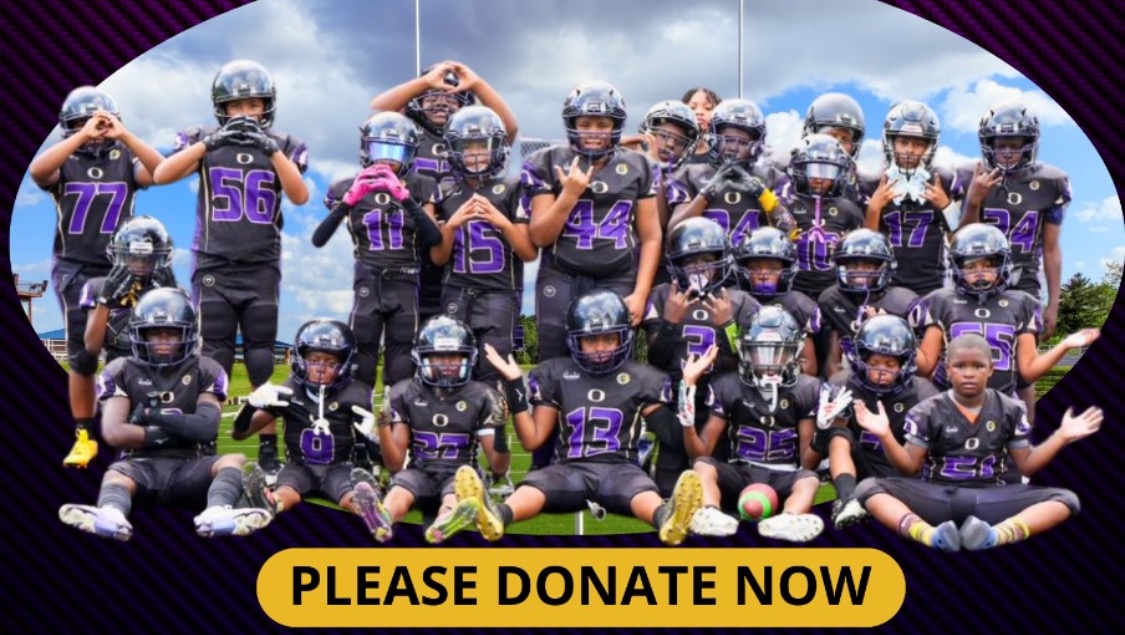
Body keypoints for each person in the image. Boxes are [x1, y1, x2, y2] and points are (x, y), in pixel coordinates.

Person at [446, 290, 705, 546]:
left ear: (622, 337)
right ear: (575, 340)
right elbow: (532, 440)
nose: (600, 348)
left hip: (621, 468)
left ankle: (667, 518)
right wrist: (515, 384)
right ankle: (497, 515)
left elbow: (672, 436)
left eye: (608, 338)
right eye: (591, 340)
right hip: (569, 468)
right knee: (535, 486)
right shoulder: (556, 373)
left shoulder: (642, 378)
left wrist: (688, 390)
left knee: (642, 490)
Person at [152, 59, 310, 474]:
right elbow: (162, 173)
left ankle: (268, 446)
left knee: (261, 360)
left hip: (261, 264)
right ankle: (203, 442)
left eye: (253, 105)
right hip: (214, 262)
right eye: (236, 106)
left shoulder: (285, 143)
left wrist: (271, 150)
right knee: (214, 359)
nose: (245, 113)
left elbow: (300, 195)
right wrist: (211, 143)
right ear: (221, 108)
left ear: (267, 106)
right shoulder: (203, 139)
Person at [854, 333, 1102, 551]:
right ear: (948, 369)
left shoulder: (1011, 408)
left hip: (991, 497)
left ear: (991, 369)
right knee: (868, 488)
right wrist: (885, 435)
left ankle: (993, 536)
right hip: (937, 495)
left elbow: (1027, 465)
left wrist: (1061, 436)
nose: (969, 373)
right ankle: (930, 535)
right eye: (960, 366)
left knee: (1065, 499)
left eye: (978, 366)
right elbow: (908, 468)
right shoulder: (927, 410)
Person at [58, 288, 271, 540]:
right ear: (139, 333)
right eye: (154, 333)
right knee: (116, 473)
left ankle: (217, 512)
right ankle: (111, 514)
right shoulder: (121, 369)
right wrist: (182, 430)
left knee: (232, 460)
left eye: (172, 333)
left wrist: (151, 414)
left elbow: (206, 427)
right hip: (140, 466)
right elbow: (115, 432)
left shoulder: (206, 369)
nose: (163, 340)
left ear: (187, 333)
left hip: (190, 467)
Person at [28, 86, 164, 468]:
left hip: (122, 267)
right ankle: (84, 436)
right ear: (68, 128)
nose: (94, 130)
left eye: (102, 123)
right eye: (82, 124)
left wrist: (124, 134)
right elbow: (38, 171)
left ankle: (129, 433)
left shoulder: (125, 157)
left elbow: (160, 170)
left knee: (128, 352)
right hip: (75, 267)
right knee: (83, 356)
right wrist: (83, 136)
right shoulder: (64, 160)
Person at [430, 105, 536, 491]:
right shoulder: (446, 193)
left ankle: (499, 470)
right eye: (468, 147)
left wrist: (501, 220)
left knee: (493, 380)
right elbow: (438, 258)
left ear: (496, 148)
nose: (475, 154)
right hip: (456, 291)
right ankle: (460, 459)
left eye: (481, 146)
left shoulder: (513, 189)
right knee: (452, 374)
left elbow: (528, 252)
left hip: (499, 293)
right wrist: (451, 225)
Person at [369, 61, 521, 331]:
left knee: (460, 329)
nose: (441, 102)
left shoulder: (472, 136)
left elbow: (508, 129)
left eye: (450, 97)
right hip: (412, 243)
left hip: (462, 245)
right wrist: (424, 82)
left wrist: (477, 84)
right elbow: (378, 116)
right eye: (432, 96)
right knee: (413, 328)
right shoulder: (408, 133)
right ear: (417, 100)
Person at [352, 316, 510, 544]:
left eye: (454, 356)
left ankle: (444, 522)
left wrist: (501, 431)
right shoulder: (405, 392)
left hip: (460, 472)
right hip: (420, 471)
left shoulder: (482, 395)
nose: (447, 363)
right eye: (439, 356)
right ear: (423, 358)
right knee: (400, 488)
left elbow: (499, 467)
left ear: (467, 358)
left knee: (457, 493)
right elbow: (395, 464)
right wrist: (384, 426)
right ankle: (383, 518)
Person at [312, 111, 441, 391]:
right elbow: (319, 239)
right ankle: (359, 417)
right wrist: (349, 201)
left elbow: (434, 237)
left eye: (395, 151)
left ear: (409, 154)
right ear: (366, 150)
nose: (386, 159)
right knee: (361, 357)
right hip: (367, 281)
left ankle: (397, 417)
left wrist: (404, 197)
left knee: (402, 364)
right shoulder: (346, 187)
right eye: (380, 149)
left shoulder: (421, 185)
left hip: (406, 280)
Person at [959, 100, 1071, 417]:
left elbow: (1051, 248)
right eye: (1000, 144)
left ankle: (1024, 440)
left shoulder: (1051, 182)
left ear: (1030, 143)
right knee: (971, 363)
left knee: (1024, 373)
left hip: (1024, 282)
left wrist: (1053, 303)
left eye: (1015, 144)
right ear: (988, 145)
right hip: (975, 281)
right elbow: (959, 241)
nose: (1007, 152)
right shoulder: (970, 176)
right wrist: (974, 201)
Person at [915, 224, 1098, 412]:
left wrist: (1065, 345)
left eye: (988, 265)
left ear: (1002, 264)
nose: (980, 272)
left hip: (1002, 408)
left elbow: (1029, 371)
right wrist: (902, 337)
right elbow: (925, 366)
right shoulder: (941, 301)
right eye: (970, 266)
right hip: (949, 407)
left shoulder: (1021, 303)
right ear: (957, 267)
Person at [680, 307, 824, 542]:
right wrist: (687, 423)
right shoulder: (728, 385)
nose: (768, 362)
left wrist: (822, 433)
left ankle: (789, 519)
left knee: (809, 479)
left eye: (777, 353)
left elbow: (808, 462)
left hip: (784, 474)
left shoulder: (807, 388)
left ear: (793, 352)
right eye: (760, 352)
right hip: (741, 471)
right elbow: (701, 453)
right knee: (702, 466)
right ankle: (710, 513)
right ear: (745, 351)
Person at [231, 319, 387, 539]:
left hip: (338, 466)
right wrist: (250, 406)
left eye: (330, 362)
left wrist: (373, 438)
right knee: (287, 490)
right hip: (299, 465)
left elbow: (378, 456)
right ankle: (268, 504)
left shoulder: (356, 394)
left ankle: (369, 512)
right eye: (314, 360)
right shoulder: (288, 391)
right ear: (301, 359)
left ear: (344, 364)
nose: (321, 368)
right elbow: (240, 434)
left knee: (348, 493)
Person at [642, 218, 759, 494]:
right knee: (668, 491)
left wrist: (728, 326)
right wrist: (669, 323)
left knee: (718, 484)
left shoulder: (741, 301)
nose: (699, 268)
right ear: (677, 265)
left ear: (720, 260)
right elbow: (656, 360)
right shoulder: (662, 295)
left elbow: (746, 363)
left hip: (720, 400)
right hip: (674, 396)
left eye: (706, 260)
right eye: (690, 261)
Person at [812, 315, 938, 529]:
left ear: (905, 364)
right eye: (874, 363)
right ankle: (848, 499)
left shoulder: (923, 394)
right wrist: (823, 428)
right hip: (860, 469)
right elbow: (820, 453)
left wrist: (885, 434)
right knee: (839, 435)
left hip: (901, 476)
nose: (881, 371)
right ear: (860, 359)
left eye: (890, 364)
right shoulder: (843, 384)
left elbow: (912, 466)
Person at [69, 217, 177, 460]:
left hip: (162, 371)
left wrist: (172, 297)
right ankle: (85, 434)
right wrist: (106, 299)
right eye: (134, 257)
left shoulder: (167, 289)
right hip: (120, 370)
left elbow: (184, 347)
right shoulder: (98, 287)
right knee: (82, 359)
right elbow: (92, 346)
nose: (140, 264)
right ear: (120, 255)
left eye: (147, 258)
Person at [669, 98, 795, 249]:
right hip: (708, 261)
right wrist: (708, 192)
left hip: (754, 261)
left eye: (742, 142)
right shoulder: (690, 174)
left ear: (755, 146)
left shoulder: (773, 177)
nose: (734, 148)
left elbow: (789, 232)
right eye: (728, 140)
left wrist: (761, 192)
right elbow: (674, 232)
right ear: (715, 139)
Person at [863, 101, 960, 296]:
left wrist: (946, 207)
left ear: (929, 146)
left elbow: (957, 241)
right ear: (890, 142)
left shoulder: (942, 181)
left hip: (931, 285)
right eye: (903, 142)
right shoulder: (873, 183)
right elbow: (866, 246)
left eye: (918, 144)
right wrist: (873, 210)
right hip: (885, 285)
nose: (910, 150)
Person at [817, 229, 920, 378]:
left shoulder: (903, 301)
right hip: (850, 379)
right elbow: (832, 362)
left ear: (884, 266)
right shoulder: (831, 299)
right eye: (853, 264)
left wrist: (887, 330)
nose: (860, 271)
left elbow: (921, 367)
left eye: (868, 265)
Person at [785, 134, 866, 303]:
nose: (819, 178)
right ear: (799, 169)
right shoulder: (787, 205)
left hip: (835, 289)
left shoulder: (849, 209)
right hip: (793, 286)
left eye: (827, 171)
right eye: (812, 170)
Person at [733, 227, 820, 375]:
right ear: (744, 270)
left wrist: (780, 374)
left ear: (787, 270)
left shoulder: (797, 303)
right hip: (743, 377)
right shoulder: (733, 300)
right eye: (755, 268)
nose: (764, 274)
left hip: (786, 379)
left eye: (773, 268)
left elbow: (809, 365)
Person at [682, 87, 721, 164]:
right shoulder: (675, 153)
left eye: (707, 108)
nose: (699, 112)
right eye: (693, 108)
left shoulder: (723, 153)